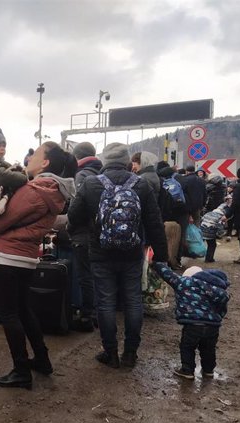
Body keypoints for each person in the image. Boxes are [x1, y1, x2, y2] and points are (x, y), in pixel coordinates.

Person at [68, 143, 168, 369]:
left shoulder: (91, 184)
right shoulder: (141, 185)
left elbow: (73, 216)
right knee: (133, 300)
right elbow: (154, 222)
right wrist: (161, 255)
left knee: (105, 302)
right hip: (132, 252)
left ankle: (110, 352)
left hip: (101, 252)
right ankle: (130, 353)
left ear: (104, 161)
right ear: (126, 161)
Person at [0, 142, 75, 389]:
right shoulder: (54, 191)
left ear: (45, 162)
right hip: (26, 256)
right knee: (25, 310)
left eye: (36, 154)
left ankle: (20, 369)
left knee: (9, 314)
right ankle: (42, 359)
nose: (30, 158)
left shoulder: (34, 190)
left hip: (7, 256)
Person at [153, 264, 230, 379]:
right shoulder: (216, 289)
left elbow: (169, 275)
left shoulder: (185, 283)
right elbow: (222, 309)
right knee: (209, 348)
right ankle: (208, 370)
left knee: (187, 346)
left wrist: (156, 264)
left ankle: (187, 370)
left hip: (192, 325)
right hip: (212, 326)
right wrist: (216, 318)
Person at [68, 141, 102, 331]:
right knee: (97, 275)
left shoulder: (82, 174)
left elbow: (76, 208)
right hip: (100, 232)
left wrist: (69, 226)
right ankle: (98, 314)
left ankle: (86, 317)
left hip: (83, 232)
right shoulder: (101, 173)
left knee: (85, 277)